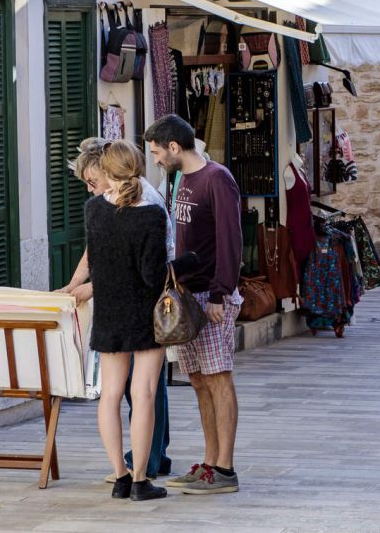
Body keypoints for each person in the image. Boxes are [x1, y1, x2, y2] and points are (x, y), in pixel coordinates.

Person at [61, 138, 177, 484]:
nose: (89, 186)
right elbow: (151, 275)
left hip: (109, 312)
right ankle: (141, 477)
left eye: (92, 179)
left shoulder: (95, 209)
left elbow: (98, 259)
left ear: (107, 171)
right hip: (144, 314)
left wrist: (86, 285)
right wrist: (183, 265)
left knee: (110, 396)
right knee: (144, 394)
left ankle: (120, 474)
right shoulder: (150, 212)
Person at [145, 114, 244, 496]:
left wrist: (221, 293)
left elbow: (231, 239)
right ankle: (209, 463)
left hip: (212, 296)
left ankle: (225, 469)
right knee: (199, 380)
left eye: (157, 152)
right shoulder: (179, 180)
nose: (156, 160)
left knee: (218, 378)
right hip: (188, 296)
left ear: (174, 147)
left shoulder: (217, 178)